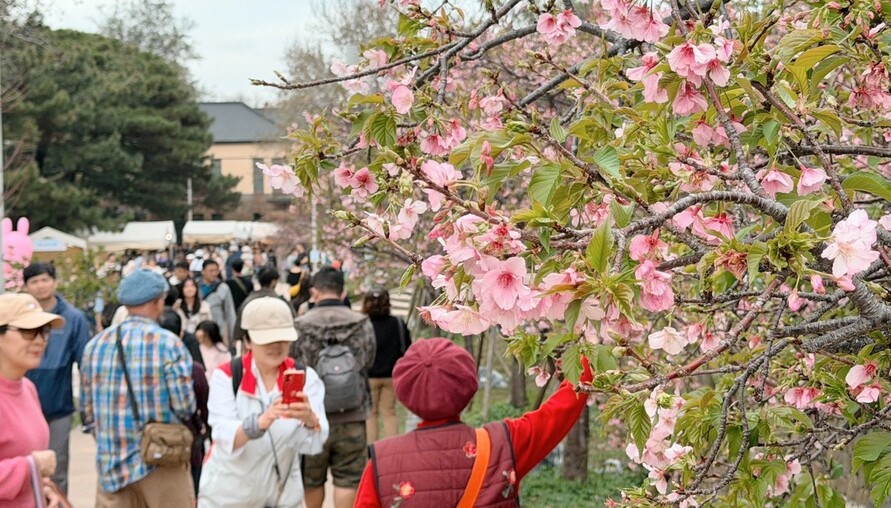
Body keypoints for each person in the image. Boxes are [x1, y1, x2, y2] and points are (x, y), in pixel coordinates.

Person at [354, 338, 593, 507]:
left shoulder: (380, 464)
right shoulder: (503, 445)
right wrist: (585, 358)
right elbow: (559, 412)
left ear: (404, 396)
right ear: (469, 387)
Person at [80, 269, 196, 507]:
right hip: (160, 460)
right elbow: (185, 407)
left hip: (110, 465)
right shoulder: (169, 344)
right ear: (157, 301)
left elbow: (87, 412)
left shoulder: (94, 346)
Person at [199, 297, 329, 508]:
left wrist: (309, 419)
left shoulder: (306, 378)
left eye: (282, 339)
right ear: (248, 341)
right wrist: (261, 421)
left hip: (282, 497)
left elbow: (314, 443)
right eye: (266, 340)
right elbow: (223, 437)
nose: (276, 346)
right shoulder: (228, 377)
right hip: (227, 497)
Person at [292, 266, 376, 508]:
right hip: (353, 412)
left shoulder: (301, 325)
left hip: (312, 417)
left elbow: (294, 365)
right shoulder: (361, 322)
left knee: (312, 478)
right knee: (348, 479)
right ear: (342, 293)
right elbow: (368, 360)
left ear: (314, 292)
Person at [22, 263, 92, 495]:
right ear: (26, 286)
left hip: (58, 406)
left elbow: (85, 364)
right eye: (34, 282)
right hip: (22, 407)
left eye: (44, 280)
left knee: (57, 468)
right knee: (23, 467)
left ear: (54, 281)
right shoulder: (21, 316)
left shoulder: (74, 318)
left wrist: (88, 405)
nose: (40, 286)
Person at [0, 293, 67, 508]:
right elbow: (33, 461)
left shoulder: (28, 388)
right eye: (28, 331)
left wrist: (45, 487)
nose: (40, 340)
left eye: (44, 332)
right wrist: (31, 466)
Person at [158, 309, 210, 497]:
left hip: (157, 445)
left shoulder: (148, 368)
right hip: (188, 445)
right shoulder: (195, 370)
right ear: (181, 333)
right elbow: (204, 408)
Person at [362, 289, 411, 443]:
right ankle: (393, 449)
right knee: (389, 413)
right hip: (392, 375)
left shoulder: (363, 326)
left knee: (371, 414)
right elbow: (407, 347)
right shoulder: (397, 323)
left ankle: (372, 452)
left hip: (369, 377)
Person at [233, 266, 292, 347]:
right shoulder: (281, 302)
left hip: (254, 345)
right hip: (278, 344)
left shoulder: (248, 301)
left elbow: (239, 331)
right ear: (273, 282)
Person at [197, 259, 237, 347]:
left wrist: (233, 336)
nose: (214, 273)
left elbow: (230, 312)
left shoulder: (223, 288)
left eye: (216, 270)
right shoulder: (195, 287)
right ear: (203, 271)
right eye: (211, 271)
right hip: (199, 332)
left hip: (218, 332)